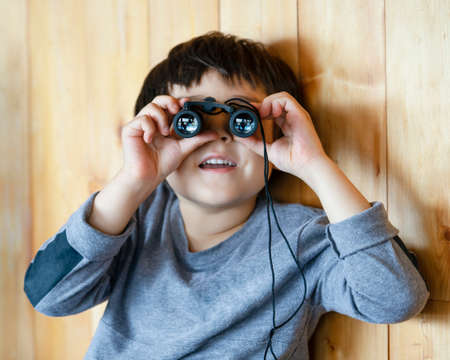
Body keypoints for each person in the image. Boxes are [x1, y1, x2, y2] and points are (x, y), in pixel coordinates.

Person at [24, 31, 430, 359]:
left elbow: (394, 299)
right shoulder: (132, 220)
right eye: (191, 120)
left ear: (278, 138)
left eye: (242, 119)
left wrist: (314, 165)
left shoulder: (305, 240)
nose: (218, 134)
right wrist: (133, 181)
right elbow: (48, 296)